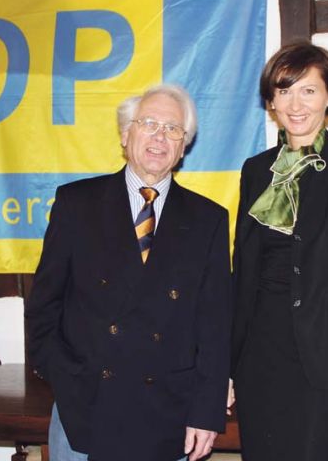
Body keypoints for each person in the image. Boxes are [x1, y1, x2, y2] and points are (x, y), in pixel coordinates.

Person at [25, 84, 231, 461]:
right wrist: (64, 375)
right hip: (84, 409)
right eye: (148, 123)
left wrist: (207, 411)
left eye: (173, 129)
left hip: (168, 414)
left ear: (183, 146)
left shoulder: (208, 219)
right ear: (125, 134)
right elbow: (44, 303)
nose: (159, 137)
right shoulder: (76, 204)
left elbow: (215, 327)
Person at [229, 42, 328, 461]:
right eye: (284, 91)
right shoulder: (255, 170)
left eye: (309, 91)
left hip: (325, 361)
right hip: (257, 357)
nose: (295, 104)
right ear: (271, 101)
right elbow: (242, 274)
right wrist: (226, 367)